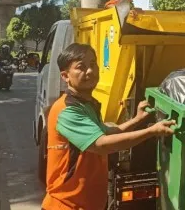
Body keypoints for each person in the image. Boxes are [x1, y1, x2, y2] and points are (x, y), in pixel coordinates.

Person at [41, 43, 175, 210]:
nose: (90, 71)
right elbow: (101, 144)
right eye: (81, 67)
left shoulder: (85, 104)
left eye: (92, 64)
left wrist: (137, 120)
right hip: (66, 205)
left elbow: (108, 132)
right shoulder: (67, 111)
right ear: (65, 76)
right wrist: (151, 131)